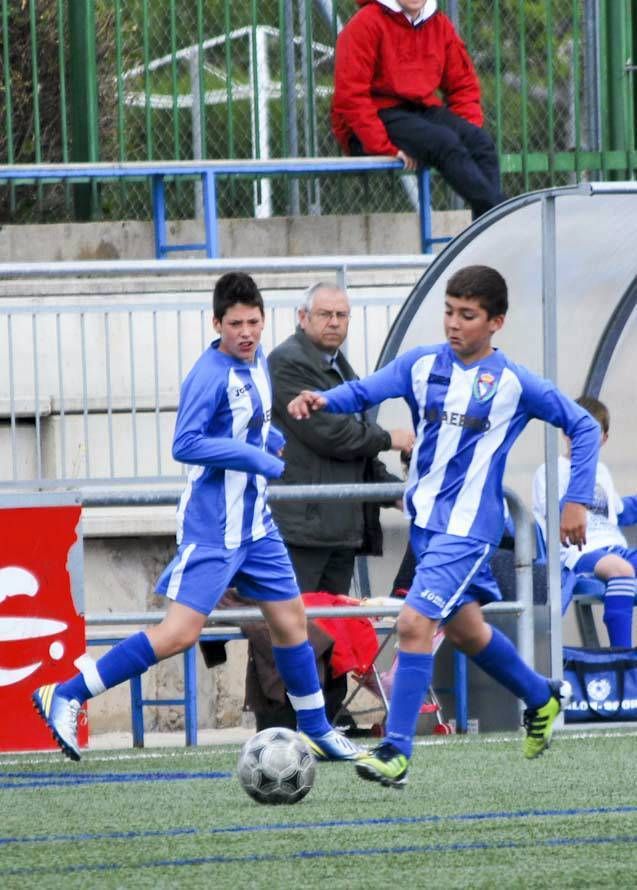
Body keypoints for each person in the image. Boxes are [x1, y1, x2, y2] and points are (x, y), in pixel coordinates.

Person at [288, 264, 600, 788]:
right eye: (450, 312)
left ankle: (397, 750)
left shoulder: (514, 382)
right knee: (466, 628)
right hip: (427, 527)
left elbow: (584, 425)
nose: (455, 324)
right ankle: (540, 696)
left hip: (469, 531)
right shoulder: (421, 365)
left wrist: (576, 502)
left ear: (496, 322)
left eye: (468, 315)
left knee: (413, 623)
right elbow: (366, 391)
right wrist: (323, 399)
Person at [31, 272, 362, 764]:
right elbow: (185, 443)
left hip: (256, 524)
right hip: (214, 527)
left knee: (292, 622)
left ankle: (316, 729)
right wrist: (252, 458)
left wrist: (267, 442)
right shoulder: (208, 373)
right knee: (180, 633)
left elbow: (248, 423)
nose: (245, 332)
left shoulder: (260, 363)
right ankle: (68, 693)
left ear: (264, 320)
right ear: (216, 323)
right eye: (235, 324)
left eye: (253, 322)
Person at [268, 282, 414, 595]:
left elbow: (359, 456)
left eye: (342, 315)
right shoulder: (286, 362)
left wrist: (396, 493)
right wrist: (390, 438)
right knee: (292, 629)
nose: (334, 322)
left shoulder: (344, 372)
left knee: (333, 632)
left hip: (340, 527)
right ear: (303, 317)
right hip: (303, 530)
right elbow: (330, 434)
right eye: (325, 314)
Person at [331, 0, 507, 219]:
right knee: (444, 142)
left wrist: (466, 129)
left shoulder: (438, 24)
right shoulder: (366, 23)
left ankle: (489, 234)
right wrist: (383, 147)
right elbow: (351, 96)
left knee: (481, 144)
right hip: (372, 120)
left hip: (419, 112)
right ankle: (505, 215)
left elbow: (463, 84)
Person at [533, 395, 637, 647]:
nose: (583, 439)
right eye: (577, 431)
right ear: (565, 433)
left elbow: (620, 509)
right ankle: (621, 656)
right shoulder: (551, 470)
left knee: (622, 565)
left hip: (614, 546)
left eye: (592, 433)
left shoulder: (602, 471)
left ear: (603, 439)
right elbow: (556, 517)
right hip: (578, 551)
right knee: (621, 571)